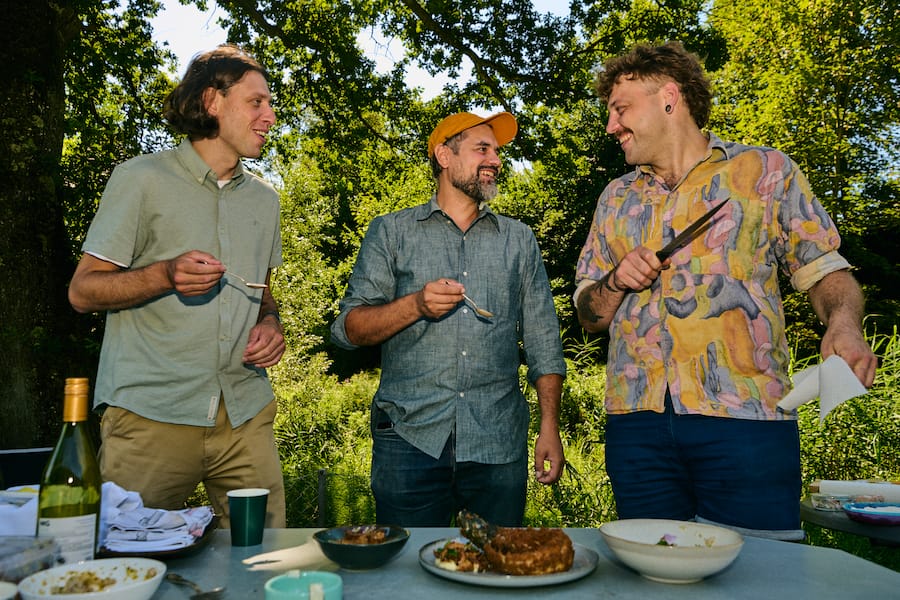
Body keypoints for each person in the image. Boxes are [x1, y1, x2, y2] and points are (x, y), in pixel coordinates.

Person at [574, 41, 877, 540]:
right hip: (636, 425)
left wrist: (843, 324)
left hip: (746, 419)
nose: (611, 126)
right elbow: (590, 315)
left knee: (760, 576)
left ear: (669, 98)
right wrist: (614, 281)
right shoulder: (615, 198)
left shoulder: (766, 172)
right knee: (651, 576)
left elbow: (824, 270)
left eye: (620, 109)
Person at [68, 44, 287, 529]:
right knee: (123, 563)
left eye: (269, 103)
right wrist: (164, 274)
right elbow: (83, 292)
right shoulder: (140, 180)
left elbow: (262, 292)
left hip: (244, 417)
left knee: (264, 564)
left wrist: (271, 323)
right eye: (257, 102)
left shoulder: (265, 200)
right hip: (151, 417)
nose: (270, 115)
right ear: (213, 101)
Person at [330, 111, 567, 526]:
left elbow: (544, 340)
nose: (495, 159)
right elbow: (348, 329)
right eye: (482, 148)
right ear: (444, 155)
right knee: (408, 581)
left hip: (497, 442)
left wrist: (550, 426)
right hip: (409, 439)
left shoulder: (519, 239)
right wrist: (416, 305)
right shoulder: (391, 232)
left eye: (497, 151)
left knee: (495, 576)